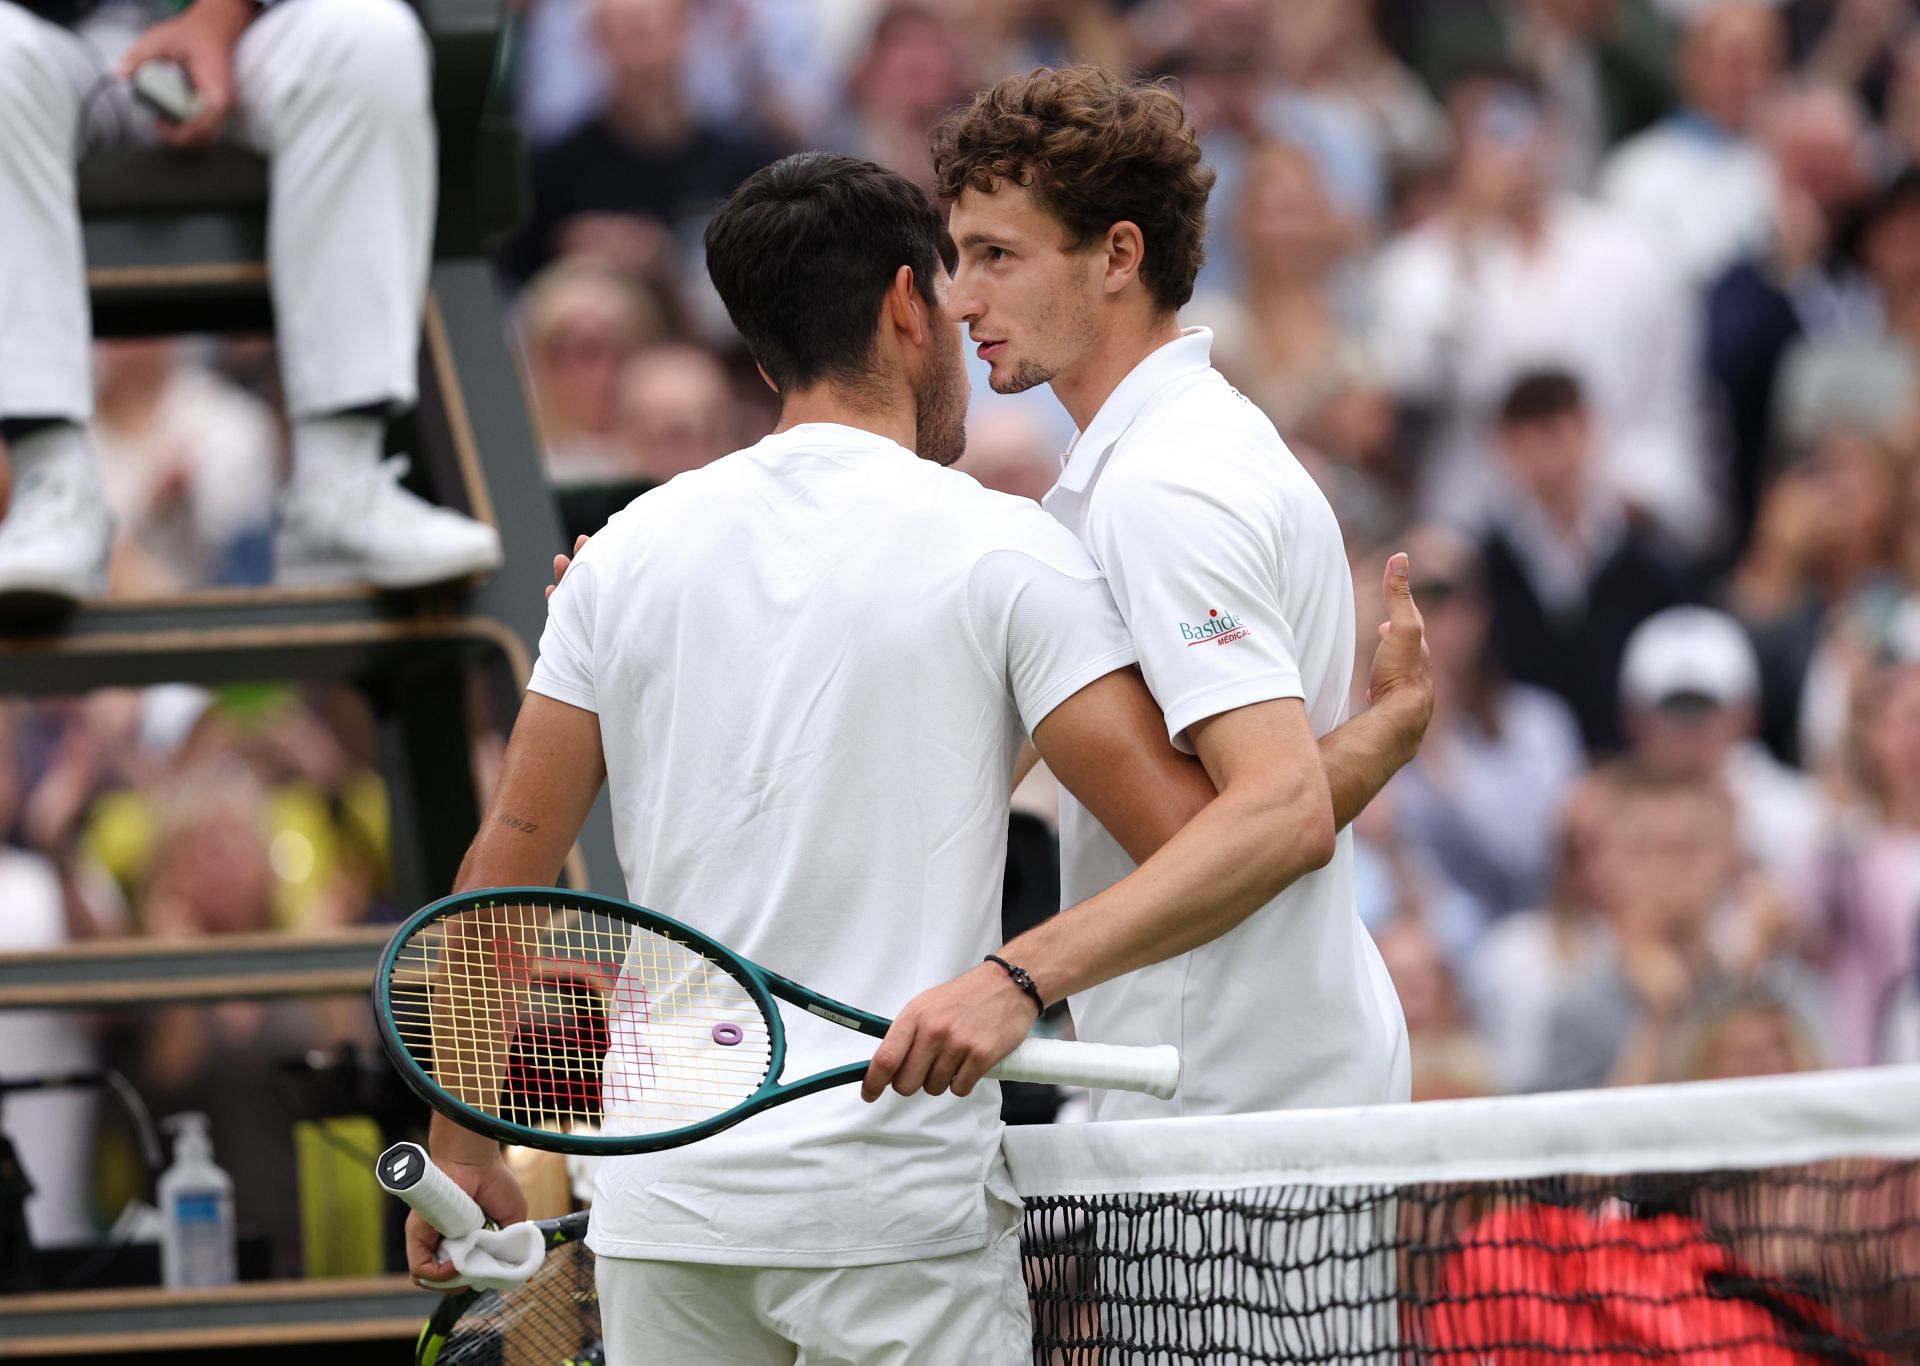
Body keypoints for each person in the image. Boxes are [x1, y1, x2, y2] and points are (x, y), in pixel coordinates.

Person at [415, 153, 1432, 1361]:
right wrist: (1379, 736)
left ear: (760, 351)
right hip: (891, 1227)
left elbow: (502, 878)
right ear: (907, 307)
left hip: (666, 1221)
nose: (965, 317)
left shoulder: (622, 559)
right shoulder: (1005, 552)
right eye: (955, 285)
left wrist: (464, 1146)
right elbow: (1217, 838)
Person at [929, 64, 1415, 1118]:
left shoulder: (1166, 484)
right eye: (960, 259)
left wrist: (1021, 974)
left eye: (996, 257)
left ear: (1117, 255)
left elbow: (1280, 812)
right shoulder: (1148, 461)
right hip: (1223, 1089)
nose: (962, 298)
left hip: (1237, 1109)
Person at [0, 0, 503, 605]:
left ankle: (338, 483)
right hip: (42, 47)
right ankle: (50, 489)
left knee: (367, 35)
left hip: (256, 35)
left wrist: (222, 15)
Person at [1479, 369, 1696, 752]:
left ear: (1587, 431)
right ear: (1506, 447)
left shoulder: (1650, 564)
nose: (1546, 459)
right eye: (1527, 440)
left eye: (1554, 434)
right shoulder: (1484, 567)